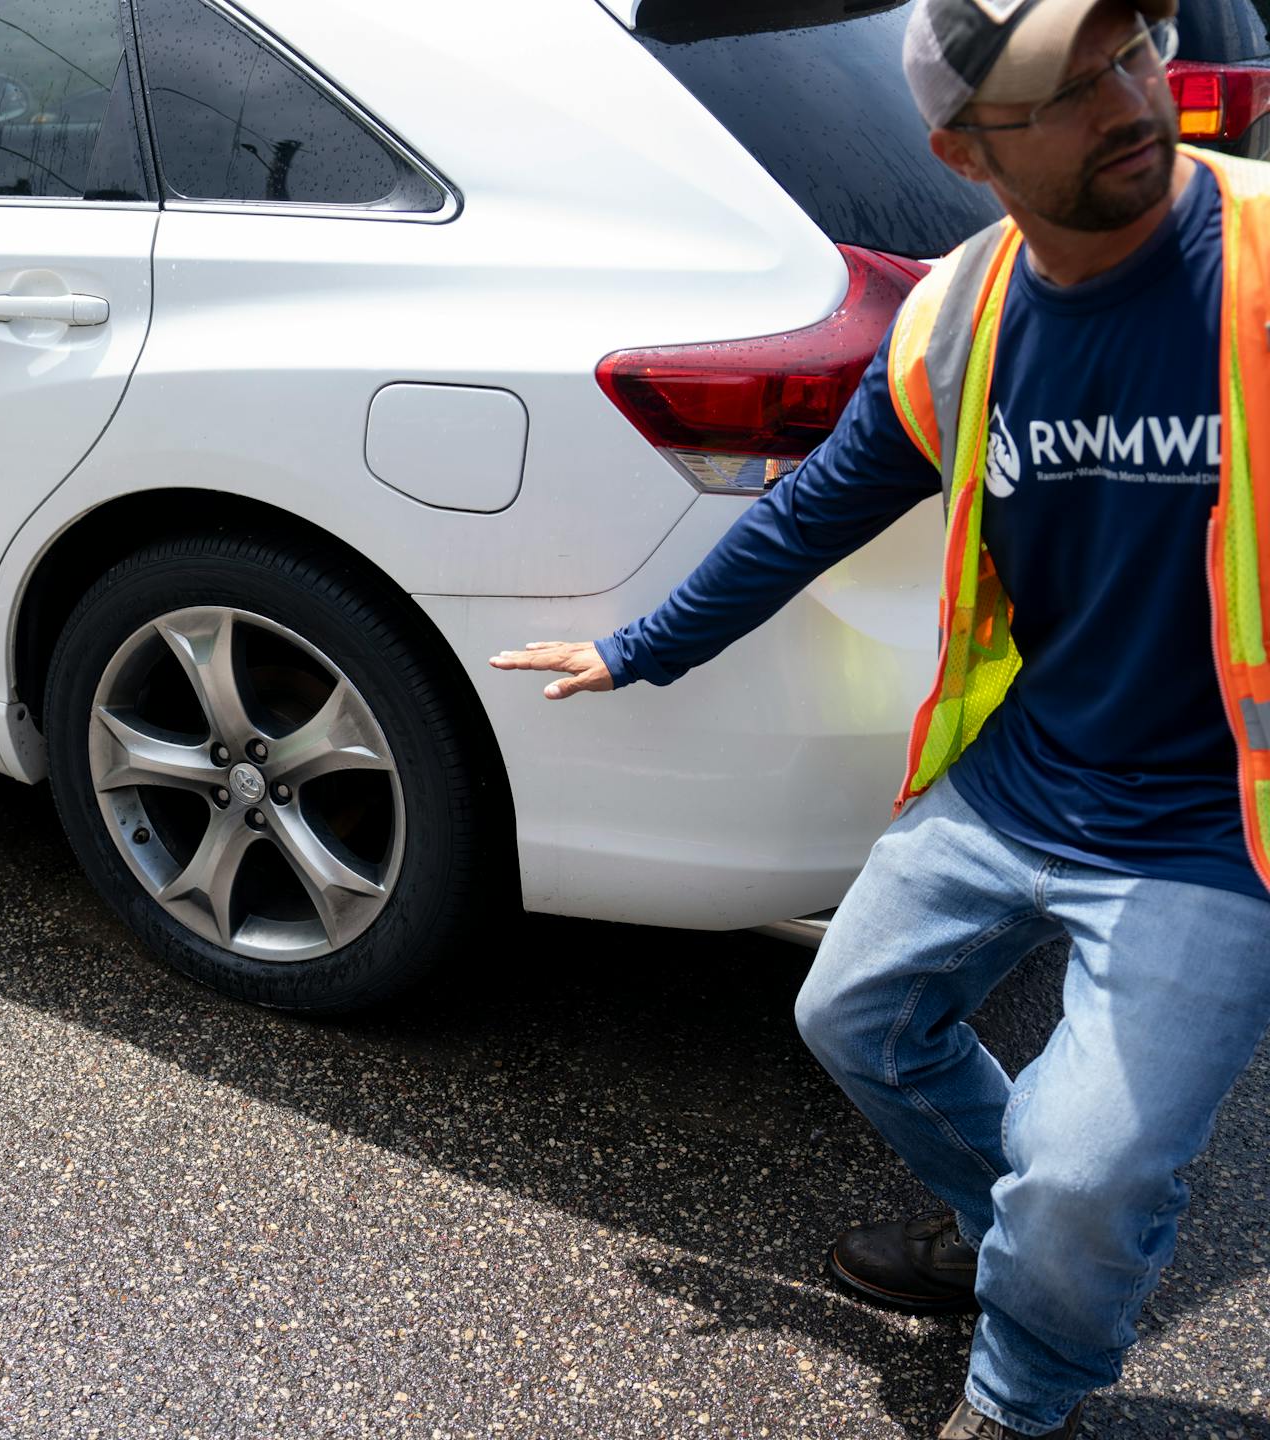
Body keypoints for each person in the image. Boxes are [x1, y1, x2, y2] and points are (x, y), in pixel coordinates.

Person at [490, 1, 1270, 1435]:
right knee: (854, 1014)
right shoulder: (962, 317)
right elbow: (810, 515)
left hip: (1219, 831)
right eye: (1064, 89)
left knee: (1090, 1170)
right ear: (964, 152)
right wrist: (635, 650)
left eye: (1131, 51)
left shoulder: (1262, 260)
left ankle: (1024, 1387)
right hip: (1027, 775)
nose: (1127, 98)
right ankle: (1012, 1242)